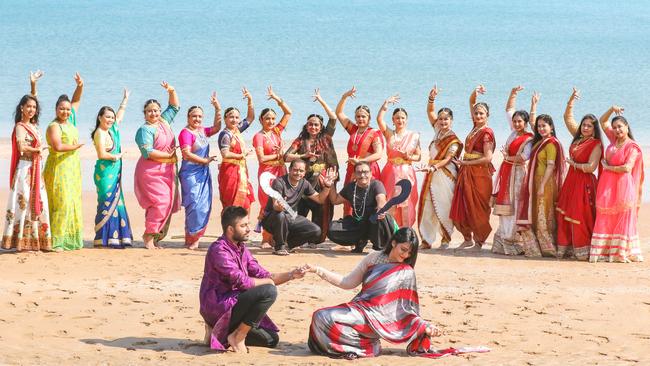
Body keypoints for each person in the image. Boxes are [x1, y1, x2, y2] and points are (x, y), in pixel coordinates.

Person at [304, 227, 442, 359]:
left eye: (410, 253)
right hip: (361, 311)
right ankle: (364, 345)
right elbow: (347, 282)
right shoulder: (374, 258)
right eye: (404, 249)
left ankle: (365, 347)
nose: (405, 255)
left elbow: (407, 310)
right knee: (320, 317)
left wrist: (424, 326)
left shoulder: (407, 272)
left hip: (381, 321)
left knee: (324, 318)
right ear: (394, 242)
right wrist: (317, 270)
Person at [199, 206, 305, 353]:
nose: (248, 229)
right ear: (230, 229)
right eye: (243, 226)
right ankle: (237, 336)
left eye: (248, 224)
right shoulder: (219, 250)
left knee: (271, 339)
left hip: (235, 302)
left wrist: (292, 274)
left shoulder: (242, 249)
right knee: (268, 291)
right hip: (219, 306)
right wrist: (269, 283)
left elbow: (264, 275)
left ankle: (216, 332)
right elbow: (242, 281)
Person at [3, 70, 52, 251]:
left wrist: (34, 84)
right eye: (28, 106)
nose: (31, 109)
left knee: (39, 201)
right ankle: (19, 241)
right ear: (21, 108)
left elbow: (34, 98)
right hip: (25, 168)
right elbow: (22, 147)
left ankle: (37, 241)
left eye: (34, 107)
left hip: (36, 169)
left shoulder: (33, 125)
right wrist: (37, 149)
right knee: (24, 203)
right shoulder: (20, 127)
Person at [284, 89, 340, 245]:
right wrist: (303, 156)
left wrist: (321, 100)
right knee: (299, 210)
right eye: (310, 124)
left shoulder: (326, 138)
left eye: (316, 124)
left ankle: (316, 240)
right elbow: (286, 157)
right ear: (306, 126)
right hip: (303, 182)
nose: (313, 127)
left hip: (323, 181)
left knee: (321, 211)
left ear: (321, 126)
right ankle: (297, 238)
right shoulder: (300, 140)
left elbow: (333, 117)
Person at [590, 107, 644, 263]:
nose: (617, 129)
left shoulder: (632, 146)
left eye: (620, 126)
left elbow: (627, 167)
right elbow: (602, 121)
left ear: (627, 127)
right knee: (605, 214)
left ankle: (620, 252)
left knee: (621, 216)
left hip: (623, 186)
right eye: (614, 128)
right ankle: (603, 251)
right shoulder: (614, 140)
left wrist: (608, 168)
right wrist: (612, 109)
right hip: (607, 184)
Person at [555, 88, 603, 260]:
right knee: (565, 213)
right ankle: (567, 248)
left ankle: (583, 250)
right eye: (584, 124)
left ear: (594, 128)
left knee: (580, 215)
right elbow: (567, 118)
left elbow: (591, 167)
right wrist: (571, 101)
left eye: (589, 125)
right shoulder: (578, 138)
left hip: (584, 183)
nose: (585, 127)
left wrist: (573, 164)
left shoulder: (596, 144)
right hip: (571, 181)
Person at [516, 94, 565, 257]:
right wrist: (534, 105)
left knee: (543, 214)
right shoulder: (539, 141)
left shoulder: (551, 144)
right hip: (534, 181)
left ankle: (548, 247)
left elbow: (550, 166)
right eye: (539, 127)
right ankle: (535, 246)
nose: (541, 129)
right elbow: (532, 121)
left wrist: (543, 186)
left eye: (544, 126)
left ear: (551, 127)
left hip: (546, 182)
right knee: (535, 213)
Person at [134, 81, 180, 249]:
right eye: (149, 111)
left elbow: (174, 107)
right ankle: (148, 236)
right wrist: (168, 156)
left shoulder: (163, 122)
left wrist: (171, 90)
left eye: (156, 110)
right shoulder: (144, 130)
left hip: (168, 170)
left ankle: (154, 237)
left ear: (160, 112)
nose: (153, 113)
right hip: (150, 171)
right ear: (144, 113)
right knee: (160, 202)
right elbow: (149, 152)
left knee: (167, 202)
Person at [449, 85, 496, 251]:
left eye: (481, 113)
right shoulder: (475, 127)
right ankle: (467, 238)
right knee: (463, 206)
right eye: (476, 113)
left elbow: (488, 158)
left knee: (478, 209)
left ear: (487, 116)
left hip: (479, 174)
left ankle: (480, 241)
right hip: (466, 172)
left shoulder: (487, 133)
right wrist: (474, 93)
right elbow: (471, 102)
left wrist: (466, 163)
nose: (478, 115)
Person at [43, 72, 85, 251]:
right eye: (62, 109)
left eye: (67, 109)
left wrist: (80, 86)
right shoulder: (55, 126)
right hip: (58, 168)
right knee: (61, 202)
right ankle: (56, 241)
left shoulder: (70, 121)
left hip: (72, 168)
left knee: (73, 201)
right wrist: (75, 147)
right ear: (55, 109)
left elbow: (75, 101)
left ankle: (70, 240)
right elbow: (58, 146)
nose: (65, 111)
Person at [491, 86, 534, 255]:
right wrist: (513, 93)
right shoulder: (514, 133)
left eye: (520, 122)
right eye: (514, 121)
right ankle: (502, 241)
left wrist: (507, 157)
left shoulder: (528, 138)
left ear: (525, 123)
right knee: (506, 207)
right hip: (507, 173)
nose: (516, 124)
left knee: (516, 205)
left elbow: (524, 157)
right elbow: (509, 109)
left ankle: (513, 241)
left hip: (518, 174)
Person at [261, 159, 336, 255]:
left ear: (305, 173)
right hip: (272, 219)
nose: (298, 173)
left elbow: (319, 199)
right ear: (290, 169)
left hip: (291, 217)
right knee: (281, 215)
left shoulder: (304, 183)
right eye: (295, 170)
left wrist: (327, 186)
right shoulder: (278, 182)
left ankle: (290, 244)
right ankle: (279, 247)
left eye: (301, 171)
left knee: (316, 230)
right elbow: (275, 206)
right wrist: (280, 207)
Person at [418, 85, 462, 249]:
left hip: (445, 175)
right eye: (441, 119)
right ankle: (427, 240)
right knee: (428, 206)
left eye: (446, 119)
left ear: (451, 121)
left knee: (444, 206)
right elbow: (430, 112)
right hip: (430, 173)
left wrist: (434, 168)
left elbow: (448, 159)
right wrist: (431, 98)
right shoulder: (437, 130)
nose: (443, 121)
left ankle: (446, 238)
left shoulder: (453, 139)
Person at [178, 92, 222, 249]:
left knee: (203, 206)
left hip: (203, 173)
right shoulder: (185, 133)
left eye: (199, 117)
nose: (197, 119)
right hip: (190, 173)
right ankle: (191, 238)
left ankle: (193, 239)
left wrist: (217, 108)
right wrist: (205, 161)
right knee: (194, 204)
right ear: (188, 117)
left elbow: (217, 127)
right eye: (194, 116)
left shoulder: (202, 131)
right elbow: (186, 154)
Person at [91, 88, 133, 248]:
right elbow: (101, 154)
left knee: (118, 203)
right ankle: (103, 238)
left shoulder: (112, 130)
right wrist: (117, 156)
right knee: (106, 203)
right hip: (105, 173)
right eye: (107, 117)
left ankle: (119, 238)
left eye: (112, 117)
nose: (110, 120)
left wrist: (125, 100)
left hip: (113, 172)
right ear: (100, 117)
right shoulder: (100, 133)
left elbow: (120, 116)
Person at [327, 161, 397, 253]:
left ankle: (379, 248)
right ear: (354, 175)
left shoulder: (376, 184)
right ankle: (360, 241)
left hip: (375, 224)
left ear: (371, 174)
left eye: (365, 172)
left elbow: (381, 199)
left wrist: (381, 208)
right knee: (331, 228)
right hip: (359, 224)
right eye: (359, 172)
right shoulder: (351, 187)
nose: (363, 175)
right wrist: (331, 183)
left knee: (379, 216)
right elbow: (335, 200)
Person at [336, 87, 384, 215]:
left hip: (368, 170)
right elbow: (339, 113)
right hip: (351, 170)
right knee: (348, 200)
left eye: (363, 116)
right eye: (358, 116)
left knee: (367, 200)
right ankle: (349, 227)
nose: (360, 119)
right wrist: (344, 96)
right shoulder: (353, 130)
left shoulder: (374, 133)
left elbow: (378, 154)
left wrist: (361, 161)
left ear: (369, 118)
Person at [253, 86, 291, 247]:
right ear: (261, 120)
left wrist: (276, 98)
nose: (271, 121)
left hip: (281, 172)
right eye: (267, 118)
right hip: (267, 175)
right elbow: (262, 159)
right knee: (267, 204)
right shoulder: (259, 136)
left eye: (273, 118)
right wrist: (279, 155)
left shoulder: (277, 132)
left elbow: (288, 113)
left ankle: (278, 236)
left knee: (281, 202)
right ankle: (265, 237)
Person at [377, 94, 421, 227]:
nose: (400, 120)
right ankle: (390, 230)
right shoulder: (389, 134)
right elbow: (379, 120)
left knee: (407, 202)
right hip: (390, 171)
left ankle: (405, 230)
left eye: (402, 118)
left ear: (406, 120)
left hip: (407, 171)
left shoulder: (414, 136)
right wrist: (385, 104)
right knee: (390, 200)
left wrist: (408, 157)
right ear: (393, 120)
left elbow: (418, 156)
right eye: (397, 118)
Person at [217, 87, 256, 212]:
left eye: (237, 117)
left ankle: (242, 229)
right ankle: (228, 230)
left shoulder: (237, 130)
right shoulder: (225, 134)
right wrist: (242, 155)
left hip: (241, 170)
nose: (234, 120)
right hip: (230, 171)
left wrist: (250, 100)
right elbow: (225, 154)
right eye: (231, 117)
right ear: (225, 118)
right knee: (230, 202)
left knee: (246, 202)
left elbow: (250, 118)